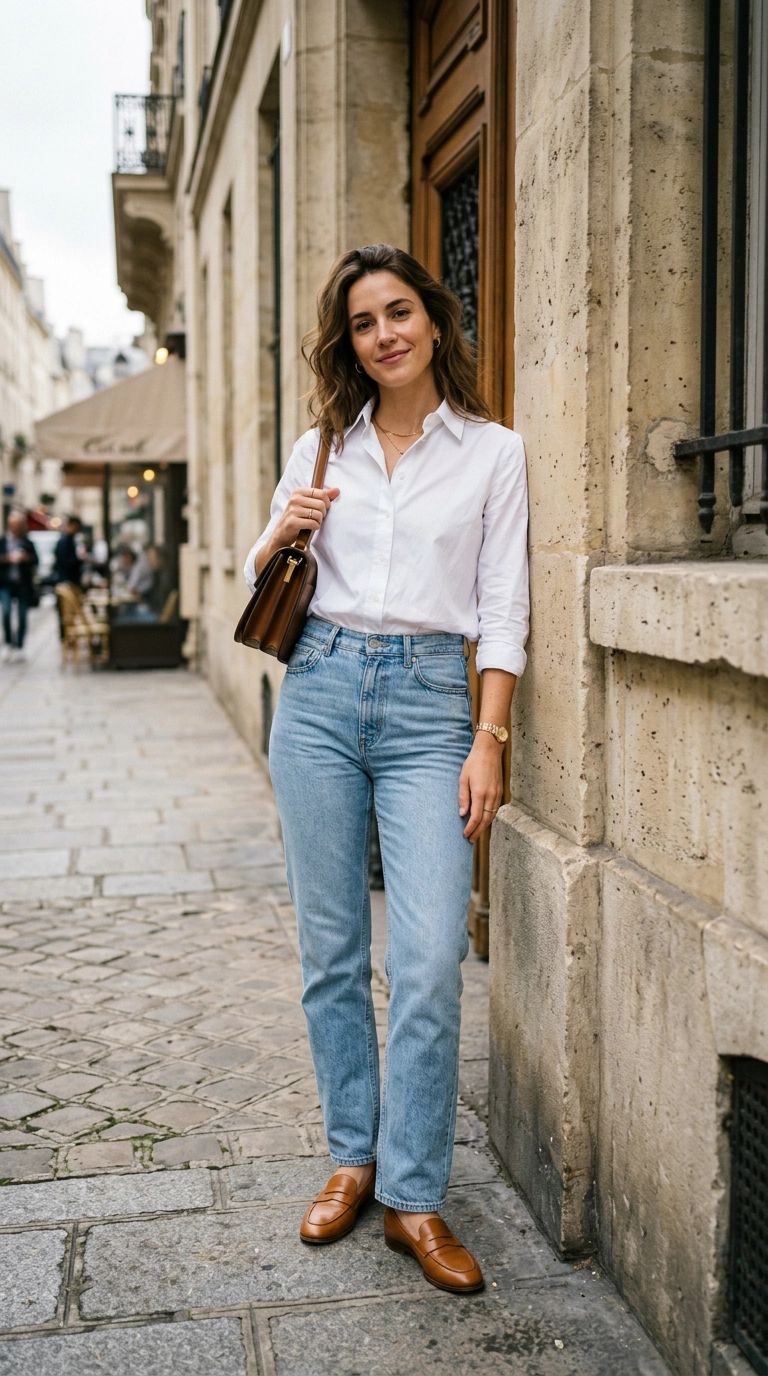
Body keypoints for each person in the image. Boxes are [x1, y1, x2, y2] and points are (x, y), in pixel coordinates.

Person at [245, 244, 529, 1294]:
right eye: (364, 323)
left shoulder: (493, 452)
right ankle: (352, 1156)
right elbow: (257, 572)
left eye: (398, 312)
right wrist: (284, 523)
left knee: (428, 955)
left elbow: (504, 610)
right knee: (329, 949)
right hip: (316, 694)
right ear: (350, 343)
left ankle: (416, 1194)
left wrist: (487, 739)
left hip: (428, 707)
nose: (384, 335)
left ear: (434, 320)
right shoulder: (324, 443)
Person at [0, 510, 39, 662]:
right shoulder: (3, 542)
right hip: (6, 583)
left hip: (23, 584)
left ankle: (20, 645)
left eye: (17, 525)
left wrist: (26, 558)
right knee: (6, 612)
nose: (15, 528)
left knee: (22, 616)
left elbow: (36, 560)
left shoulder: (27, 542)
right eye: (12, 525)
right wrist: (6, 559)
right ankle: (8, 642)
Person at [53, 516, 84, 587]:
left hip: (67, 579)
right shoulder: (65, 541)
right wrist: (79, 559)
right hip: (66, 580)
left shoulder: (70, 540)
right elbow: (65, 562)